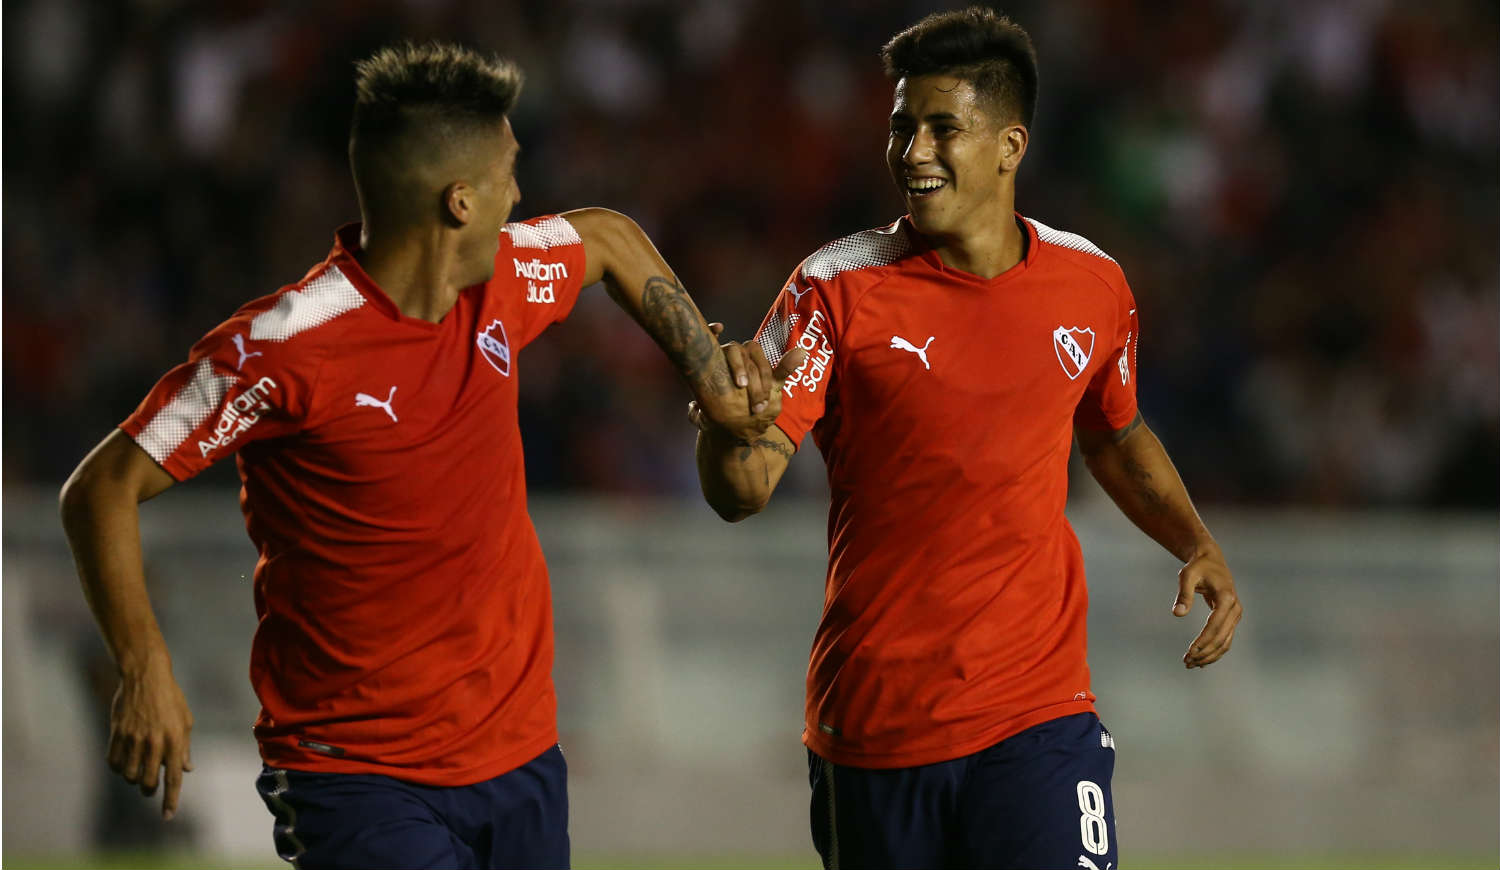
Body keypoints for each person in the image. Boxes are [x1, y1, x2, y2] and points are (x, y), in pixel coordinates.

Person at [58, 41, 773, 870]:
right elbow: (100, 488)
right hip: (357, 779)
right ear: (459, 201)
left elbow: (607, 237)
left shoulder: (505, 282)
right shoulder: (281, 347)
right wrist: (143, 667)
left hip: (518, 759)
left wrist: (711, 375)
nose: (520, 194)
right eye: (509, 173)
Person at [691, 8, 1243, 870]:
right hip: (877, 724)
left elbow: (1114, 432)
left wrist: (1194, 541)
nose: (913, 151)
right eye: (901, 127)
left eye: (942, 128)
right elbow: (744, 489)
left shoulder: (1094, 285)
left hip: (1039, 715)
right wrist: (727, 430)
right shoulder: (833, 289)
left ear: (1009, 145)